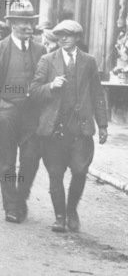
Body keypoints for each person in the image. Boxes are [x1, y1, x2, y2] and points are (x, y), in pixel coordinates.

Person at [29, 20, 107, 233]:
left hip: (80, 129)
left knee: (80, 171)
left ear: (78, 38)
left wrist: (102, 125)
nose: (63, 38)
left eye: (68, 35)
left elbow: (98, 94)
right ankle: (60, 217)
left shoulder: (89, 62)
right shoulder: (47, 60)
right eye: (60, 35)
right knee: (55, 173)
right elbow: (34, 90)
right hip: (54, 128)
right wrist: (50, 86)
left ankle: (71, 210)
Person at [0, 0, 46, 223]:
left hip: (31, 114)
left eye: (31, 22)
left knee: (31, 158)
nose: (29, 27)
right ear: (13, 24)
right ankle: (11, 207)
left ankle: (21, 197)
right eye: (23, 22)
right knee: (7, 162)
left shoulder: (41, 50)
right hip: (6, 111)